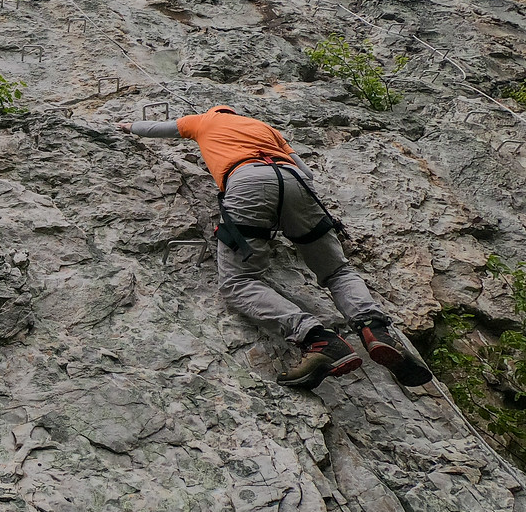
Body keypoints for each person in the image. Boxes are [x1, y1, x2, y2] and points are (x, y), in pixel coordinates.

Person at [117, 105, 433, 390]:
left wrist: (129, 126)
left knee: (238, 281)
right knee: (336, 269)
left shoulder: (204, 120)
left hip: (246, 180)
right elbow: (307, 171)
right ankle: (374, 327)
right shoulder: (264, 127)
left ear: (216, 112)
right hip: (295, 181)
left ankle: (318, 339)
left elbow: (162, 128)